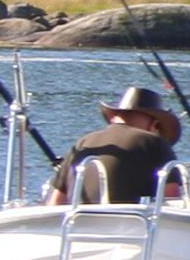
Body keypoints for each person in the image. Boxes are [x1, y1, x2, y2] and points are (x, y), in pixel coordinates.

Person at [50, 85, 180, 206]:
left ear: (114, 117)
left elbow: (55, 202)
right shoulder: (155, 143)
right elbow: (172, 199)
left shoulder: (83, 142)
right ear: (154, 124)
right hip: (130, 225)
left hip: (76, 223)